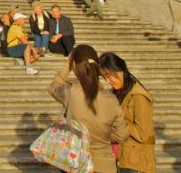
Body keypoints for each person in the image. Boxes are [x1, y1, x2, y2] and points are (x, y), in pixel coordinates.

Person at [47, 45, 129, 173]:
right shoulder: (112, 99)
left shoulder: (71, 92)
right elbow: (123, 134)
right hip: (105, 166)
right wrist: (104, 135)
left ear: (75, 66)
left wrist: (67, 64)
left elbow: (53, 87)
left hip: (76, 163)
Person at [98, 52, 155, 173]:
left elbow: (142, 134)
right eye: (104, 77)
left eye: (109, 76)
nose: (108, 81)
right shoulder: (115, 94)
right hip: (120, 158)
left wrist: (117, 120)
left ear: (119, 70)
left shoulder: (139, 96)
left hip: (136, 162)